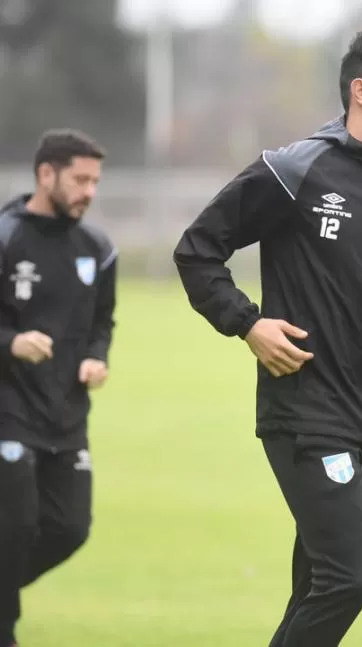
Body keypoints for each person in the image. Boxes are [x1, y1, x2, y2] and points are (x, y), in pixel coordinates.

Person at [173, 27, 362, 647]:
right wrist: (248, 322)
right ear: (361, 92)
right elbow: (198, 251)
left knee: (317, 586)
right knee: (350, 579)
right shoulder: (295, 170)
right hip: (303, 411)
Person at [0, 129, 117, 647]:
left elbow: (102, 323)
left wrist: (96, 359)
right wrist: (11, 343)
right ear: (45, 174)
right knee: (16, 526)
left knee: (70, 528)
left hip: (67, 414)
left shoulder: (98, 247)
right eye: (80, 179)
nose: (89, 191)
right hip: (8, 408)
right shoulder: (6, 238)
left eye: (95, 181)